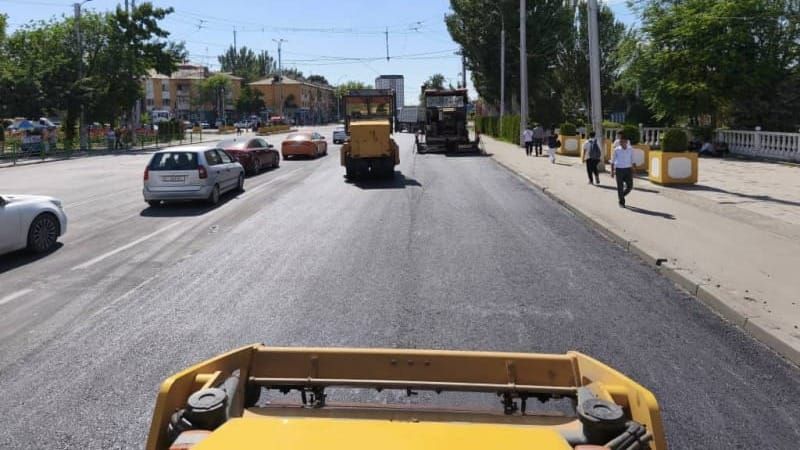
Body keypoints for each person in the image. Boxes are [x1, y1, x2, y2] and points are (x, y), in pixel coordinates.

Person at [611, 132, 637, 207]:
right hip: (619, 170)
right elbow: (612, 161)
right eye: (620, 142)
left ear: (626, 142)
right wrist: (612, 172)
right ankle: (622, 202)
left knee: (630, 186)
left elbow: (633, 160)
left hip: (628, 170)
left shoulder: (630, 149)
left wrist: (634, 169)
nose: (621, 143)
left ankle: (621, 196)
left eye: (623, 142)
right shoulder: (616, 150)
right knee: (620, 186)